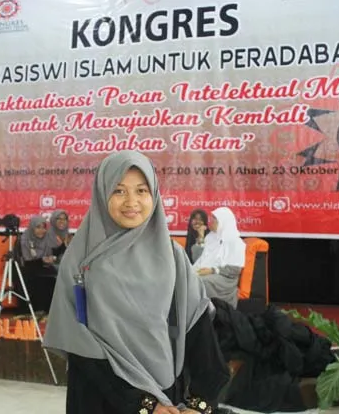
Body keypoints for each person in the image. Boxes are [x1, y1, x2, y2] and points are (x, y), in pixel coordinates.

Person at [44, 151, 230, 414]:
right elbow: (80, 345)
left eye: (141, 190)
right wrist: (143, 404)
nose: (131, 202)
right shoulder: (80, 260)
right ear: (102, 193)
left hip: (165, 393)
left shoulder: (173, 256)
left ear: (154, 194)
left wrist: (201, 403)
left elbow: (198, 330)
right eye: (119, 191)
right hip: (101, 399)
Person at [192, 208, 246, 309]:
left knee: (201, 281)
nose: (210, 221)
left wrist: (212, 270)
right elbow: (196, 259)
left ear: (223, 222)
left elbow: (235, 270)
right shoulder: (211, 237)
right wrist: (201, 237)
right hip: (206, 272)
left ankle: (202, 311)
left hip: (225, 279)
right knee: (185, 277)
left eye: (214, 219)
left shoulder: (236, 242)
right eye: (211, 218)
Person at [16, 215, 58, 312]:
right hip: (27, 267)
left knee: (54, 275)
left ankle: (49, 311)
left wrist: (50, 258)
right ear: (32, 227)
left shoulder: (47, 239)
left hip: (43, 266)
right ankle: (35, 310)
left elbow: (50, 254)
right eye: (38, 227)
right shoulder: (25, 239)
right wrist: (42, 260)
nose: (41, 230)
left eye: (43, 228)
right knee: (39, 277)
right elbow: (26, 259)